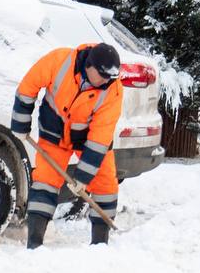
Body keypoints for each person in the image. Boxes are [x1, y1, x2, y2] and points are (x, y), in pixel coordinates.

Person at [11, 43, 123, 249]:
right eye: (103, 75)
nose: (106, 80)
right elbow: (28, 86)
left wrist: (83, 177)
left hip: (88, 140)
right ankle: (34, 243)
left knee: (106, 184)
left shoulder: (113, 91)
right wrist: (20, 122)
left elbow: (100, 138)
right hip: (54, 133)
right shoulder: (59, 61)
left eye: (110, 77)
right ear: (89, 66)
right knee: (45, 181)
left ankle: (100, 244)